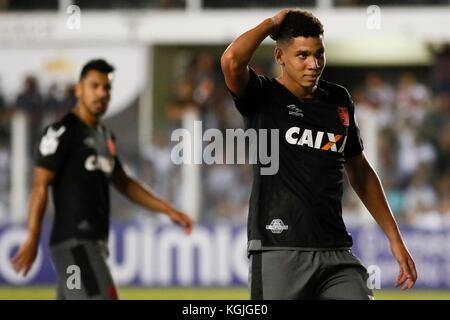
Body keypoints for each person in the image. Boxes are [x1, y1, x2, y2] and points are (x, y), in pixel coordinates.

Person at [220, 9, 417, 300]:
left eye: (319, 54)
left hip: (336, 252)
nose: (314, 64)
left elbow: (360, 172)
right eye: (302, 55)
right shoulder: (262, 96)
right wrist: (272, 23)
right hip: (280, 249)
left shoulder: (338, 100)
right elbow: (232, 60)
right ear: (279, 57)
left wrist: (395, 238)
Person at [11, 59, 193, 300]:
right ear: (79, 89)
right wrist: (33, 236)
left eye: (106, 88)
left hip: (93, 245)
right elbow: (39, 186)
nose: (101, 93)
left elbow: (124, 183)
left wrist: (167, 209)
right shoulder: (62, 132)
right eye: (94, 86)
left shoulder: (105, 137)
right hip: (75, 246)